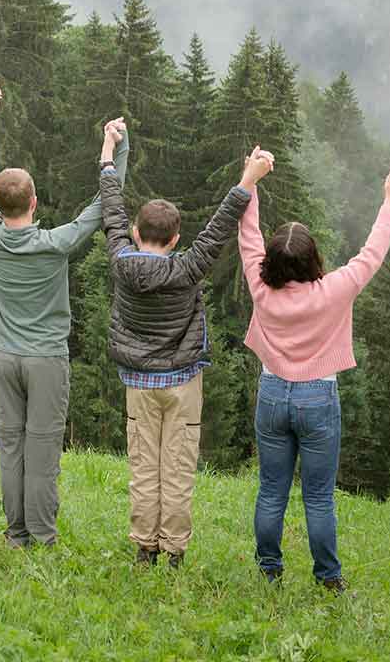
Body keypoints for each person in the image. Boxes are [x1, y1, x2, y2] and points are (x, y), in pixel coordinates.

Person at [243, 157, 390, 592]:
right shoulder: (336, 290)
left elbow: (248, 237)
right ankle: (328, 578)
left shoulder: (260, 288)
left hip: (272, 394)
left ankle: (268, 570)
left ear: (272, 264)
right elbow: (372, 254)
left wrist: (251, 181)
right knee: (318, 498)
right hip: (318, 398)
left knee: (271, 491)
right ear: (313, 259)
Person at [97, 127, 264, 567]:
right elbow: (217, 230)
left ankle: (144, 547)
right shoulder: (187, 269)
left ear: (135, 233)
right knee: (177, 466)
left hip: (138, 382)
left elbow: (111, 212)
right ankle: (173, 552)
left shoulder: (120, 261)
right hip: (184, 382)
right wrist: (247, 180)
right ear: (174, 239)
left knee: (143, 465)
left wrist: (107, 154)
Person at [0, 105, 129, 548]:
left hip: (4, 359)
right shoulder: (56, 244)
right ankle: (41, 537)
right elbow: (104, 208)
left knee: (11, 449)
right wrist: (117, 147)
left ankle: (15, 533)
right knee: (41, 452)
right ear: (35, 202)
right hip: (46, 362)